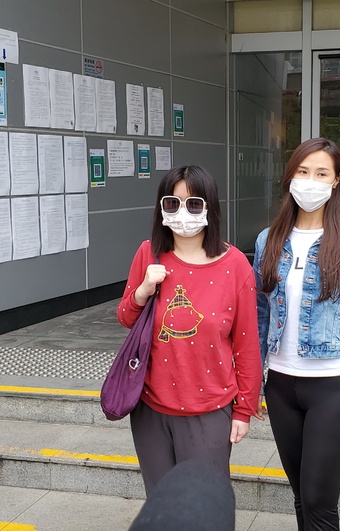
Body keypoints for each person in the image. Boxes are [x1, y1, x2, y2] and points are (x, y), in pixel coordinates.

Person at [254, 137, 340, 531]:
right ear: (290, 176)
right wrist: (251, 383)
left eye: (321, 173)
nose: (310, 181)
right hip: (280, 384)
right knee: (301, 495)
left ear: (337, 181)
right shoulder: (267, 240)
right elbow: (260, 317)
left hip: (333, 386)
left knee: (318, 498)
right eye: (302, 171)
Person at [117, 165, 263, 494]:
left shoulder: (235, 265)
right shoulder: (148, 254)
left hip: (209, 411)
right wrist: (143, 290)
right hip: (151, 408)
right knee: (162, 504)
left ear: (210, 208)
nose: (183, 212)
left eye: (194, 204)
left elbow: (247, 345)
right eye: (173, 203)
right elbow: (126, 317)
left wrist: (244, 410)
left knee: (203, 505)